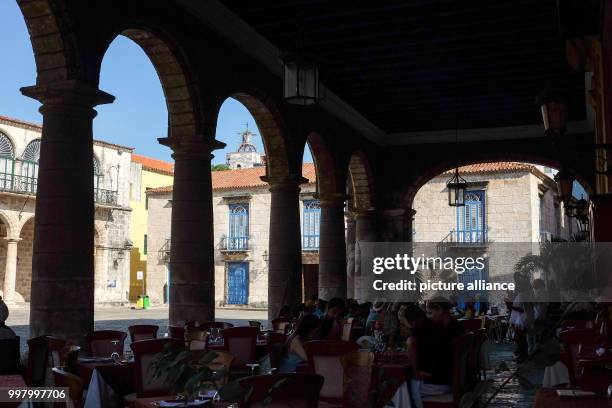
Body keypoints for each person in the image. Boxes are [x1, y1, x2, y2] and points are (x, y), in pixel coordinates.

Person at [409, 297, 465, 408]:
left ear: (439, 309)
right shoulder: (457, 327)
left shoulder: (442, 334)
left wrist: (418, 370)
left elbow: (431, 361)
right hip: (453, 381)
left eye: (431, 312)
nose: (429, 316)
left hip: (439, 384)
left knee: (399, 388)